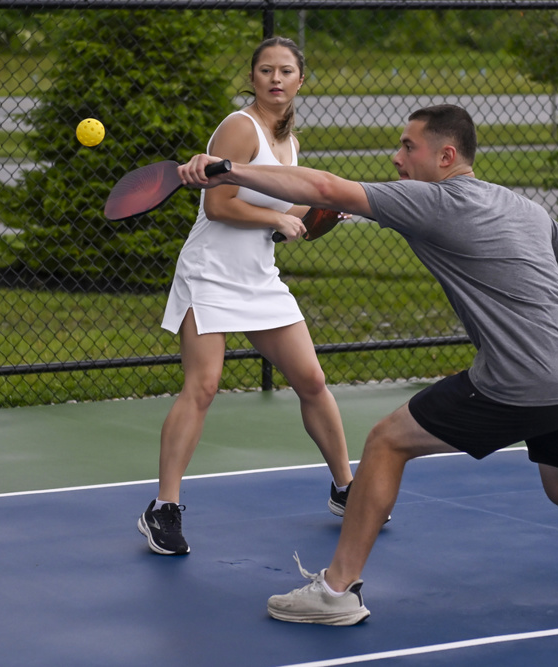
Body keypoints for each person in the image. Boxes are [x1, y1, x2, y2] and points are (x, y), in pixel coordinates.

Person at [177, 104, 558, 624]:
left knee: (385, 441)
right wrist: (550, 332)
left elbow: (326, 187)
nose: (397, 157)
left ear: (445, 156)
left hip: (524, 382)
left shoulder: (433, 201)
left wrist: (226, 169)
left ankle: (337, 591)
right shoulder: (520, 204)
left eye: (408, 147)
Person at [137, 37, 355, 557]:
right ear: (252, 78)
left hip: (258, 276)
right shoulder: (239, 127)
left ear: (301, 80)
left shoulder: (290, 142)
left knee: (312, 379)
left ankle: (346, 489)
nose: (275, 79)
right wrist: (277, 216)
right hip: (209, 272)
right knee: (204, 385)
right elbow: (218, 206)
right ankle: (163, 509)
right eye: (265, 71)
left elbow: (283, 221)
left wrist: (314, 217)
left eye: (285, 71)